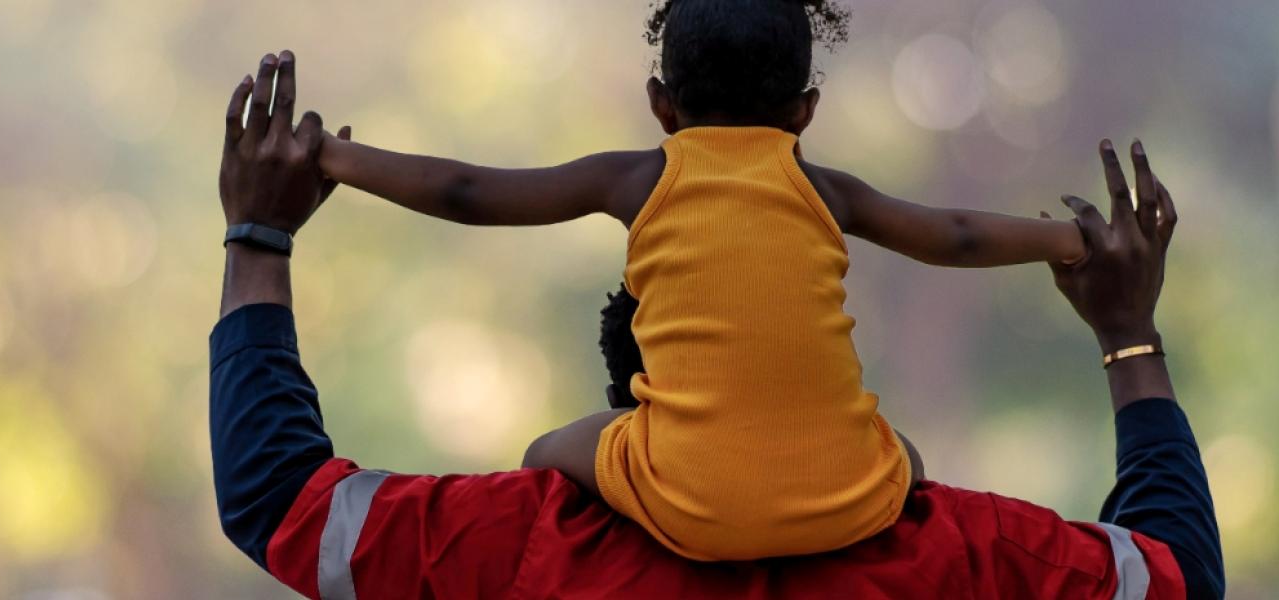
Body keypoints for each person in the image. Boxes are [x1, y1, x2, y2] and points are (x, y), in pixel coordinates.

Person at [211, 54, 1224, 598]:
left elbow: (279, 503)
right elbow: (1170, 576)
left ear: (644, 381)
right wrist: (1125, 336)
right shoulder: (951, 556)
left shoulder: (523, 545)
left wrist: (261, 234)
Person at [309, 0, 1088, 561]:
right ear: (805, 111)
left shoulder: (637, 180)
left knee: (548, 448)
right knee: (906, 458)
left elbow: (468, 192)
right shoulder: (826, 190)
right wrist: (1077, 239)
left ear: (661, 103)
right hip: (845, 506)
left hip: (689, 506)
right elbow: (953, 234)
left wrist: (335, 158)